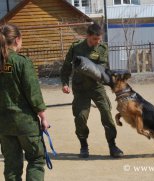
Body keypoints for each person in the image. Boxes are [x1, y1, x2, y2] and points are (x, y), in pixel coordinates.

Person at [60, 23, 123, 158]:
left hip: (96, 87)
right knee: (81, 117)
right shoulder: (76, 47)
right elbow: (66, 66)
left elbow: (101, 68)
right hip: (80, 88)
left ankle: (113, 146)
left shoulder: (102, 48)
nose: (97, 42)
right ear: (87, 36)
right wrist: (65, 83)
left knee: (106, 113)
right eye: (95, 39)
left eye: (99, 39)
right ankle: (84, 146)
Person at [0, 24, 49, 181]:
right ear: (17, 40)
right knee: (35, 161)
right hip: (25, 123)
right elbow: (33, 92)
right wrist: (43, 117)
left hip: (4, 125)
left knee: (12, 166)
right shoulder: (22, 62)